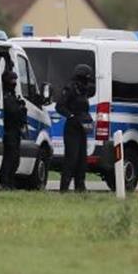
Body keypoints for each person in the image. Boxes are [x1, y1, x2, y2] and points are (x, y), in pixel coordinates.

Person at [56, 63, 94, 192]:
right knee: (71, 158)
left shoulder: (83, 90)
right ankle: (64, 187)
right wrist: (71, 116)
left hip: (82, 127)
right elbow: (60, 106)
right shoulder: (70, 88)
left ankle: (80, 186)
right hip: (72, 128)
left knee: (82, 159)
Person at [0, 70, 27, 190]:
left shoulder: (13, 95)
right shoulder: (5, 95)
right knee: (9, 159)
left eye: (15, 80)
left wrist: (21, 107)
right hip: (9, 130)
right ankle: (5, 183)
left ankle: (10, 182)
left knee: (15, 159)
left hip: (16, 131)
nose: (14, 82)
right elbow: (11, 111)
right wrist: (19, 108)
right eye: (12, 80)